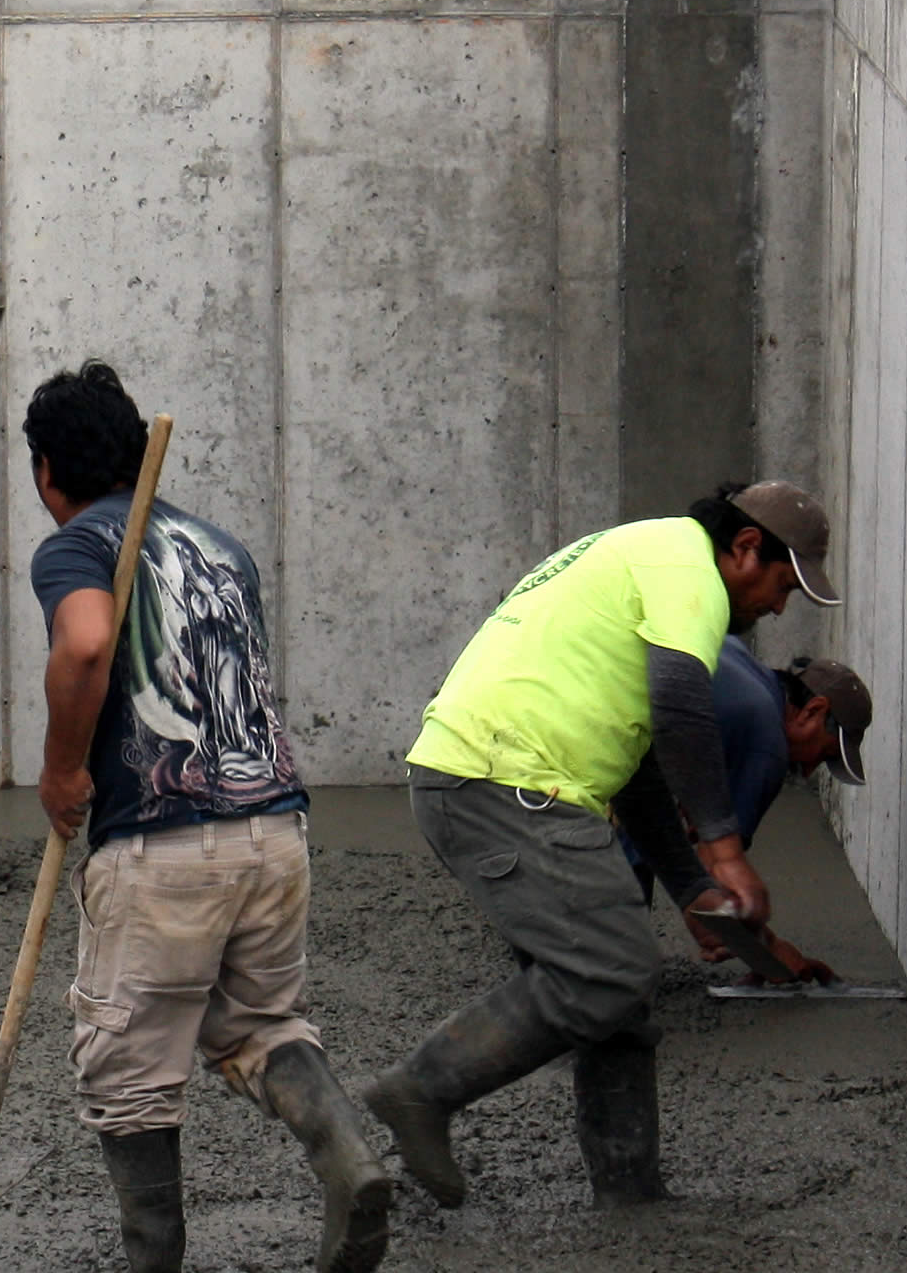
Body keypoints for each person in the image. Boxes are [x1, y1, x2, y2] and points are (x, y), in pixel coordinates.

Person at [362, 480, 844, 1211]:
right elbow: (682, 706)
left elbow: (640, 768)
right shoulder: (689, 572)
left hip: (492, 779)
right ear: (745, 549)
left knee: (613, 987)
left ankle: (631, 1189)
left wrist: (688, 887)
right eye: (784, 584)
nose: (781, 607)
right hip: (502, 783)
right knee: (612, 970)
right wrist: (724, 853)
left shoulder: (649, 556)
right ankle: (419, 1091)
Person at [21, 364, 390, 1273]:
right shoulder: (222, 545)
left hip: (162, 840)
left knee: (129, 1069)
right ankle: (347, 1158)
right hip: (273, 829)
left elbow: (89, 643)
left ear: (46, 469)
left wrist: (65, 767)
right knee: (259, 1025)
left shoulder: (74, 547)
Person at [622, 639, 874, 981]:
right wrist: (771, 952)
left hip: (579, 711)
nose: (812, 770)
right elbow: (717, 869)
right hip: (599, 765)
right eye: (825, 753)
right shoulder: (766, 746)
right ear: (813, 711)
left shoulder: (738, 657)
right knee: (618, 961)